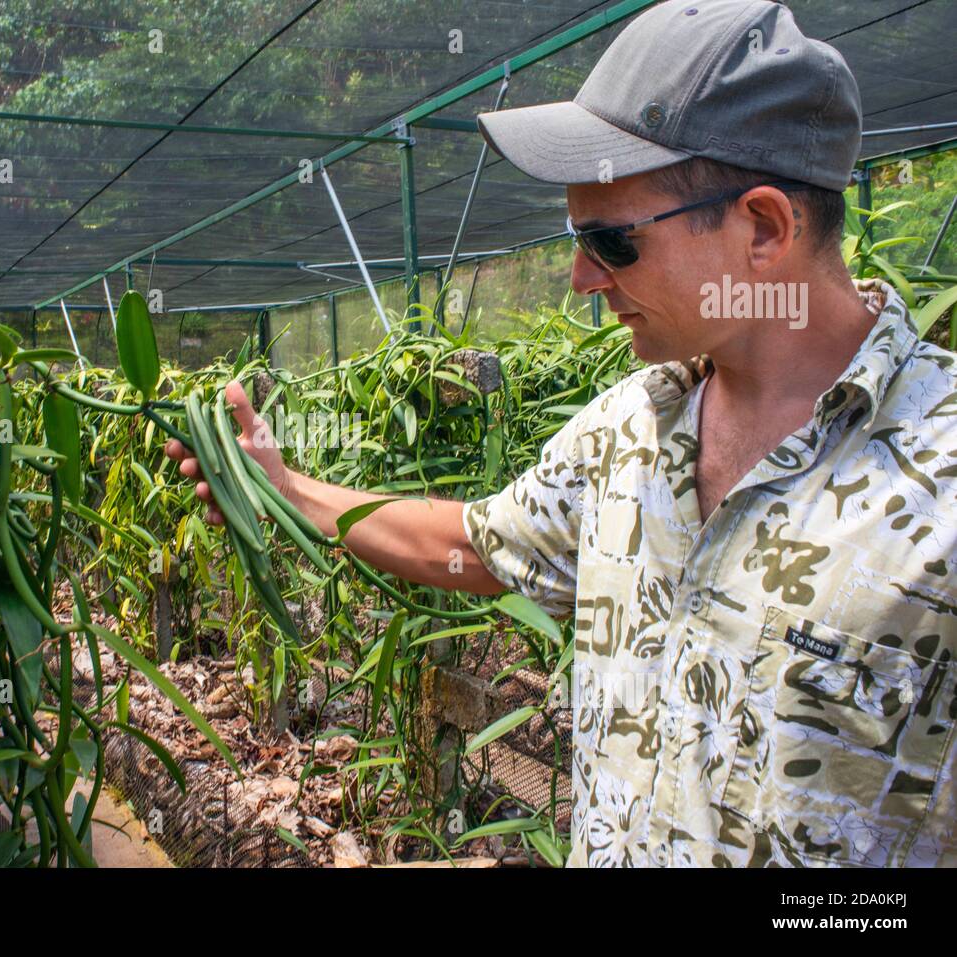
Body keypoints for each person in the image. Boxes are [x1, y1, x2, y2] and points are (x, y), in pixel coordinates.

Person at [165, 0, 956, 867]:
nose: (581, 278)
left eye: (610, 242)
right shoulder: (630, 427)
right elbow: (479, 545)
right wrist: (290, 493)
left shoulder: (937, 481)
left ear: (763, 228)